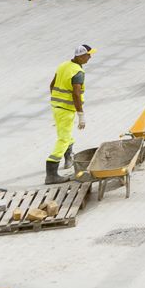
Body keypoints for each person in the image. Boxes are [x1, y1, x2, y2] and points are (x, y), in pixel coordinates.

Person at [45, 44, 90, 184]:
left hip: (57, 107)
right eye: (88, 55)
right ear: (81, 56)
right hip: (66, 109)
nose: (90, 57)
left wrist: (58, 100)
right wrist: (81, 115)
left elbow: (52, 85)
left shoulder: (63, 65)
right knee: (63, 139)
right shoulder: (77, 72)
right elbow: (76, 94)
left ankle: (68, 159)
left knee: (65, 133)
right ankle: (51, 174)